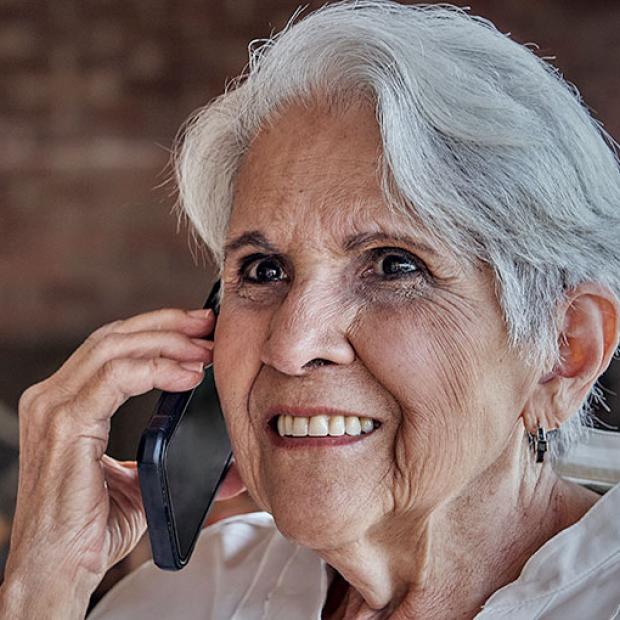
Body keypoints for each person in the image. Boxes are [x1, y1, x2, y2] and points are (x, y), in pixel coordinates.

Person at [2, 1, 620, 618]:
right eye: (263, 271)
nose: (291, 344)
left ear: (564, 350)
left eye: (393, 265)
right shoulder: (199, 594)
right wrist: (44, 584)